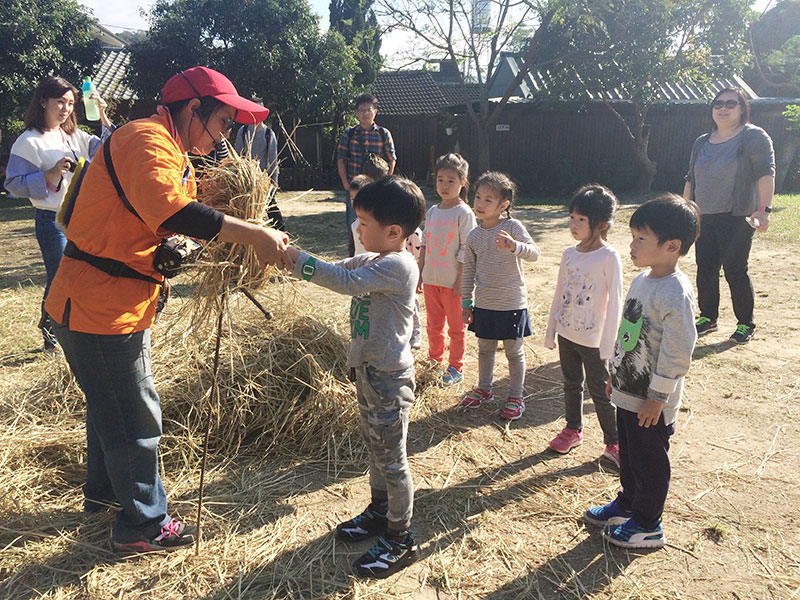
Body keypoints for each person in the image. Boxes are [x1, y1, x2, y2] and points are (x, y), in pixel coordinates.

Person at [44, 66, 290, 553]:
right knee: (135, 414)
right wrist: (255, 233)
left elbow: (162, 226)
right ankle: (142, 525)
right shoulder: (149, 140)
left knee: (109, 404)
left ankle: (104, 497)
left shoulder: (172, 150)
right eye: (222, 121)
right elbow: (173, 213)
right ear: (192, 107)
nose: (225, 136)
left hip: (105, 301)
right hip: (99, 307)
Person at [285, 176, 425, 579]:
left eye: (363, 222)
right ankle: (380, 512)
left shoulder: (398, 264)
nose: (357, 229)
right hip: (368, 374)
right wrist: (287, 255)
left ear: (394, 232)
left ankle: (401, 537)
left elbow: (343, 282)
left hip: (387, 378)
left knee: (393, 461)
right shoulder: (374, 258)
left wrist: (296, 260)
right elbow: (338, 268)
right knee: (377, 449)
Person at [584, 195, 699, 549]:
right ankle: (628, 503)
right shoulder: (643, 280)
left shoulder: (676, 293)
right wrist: (614, 377)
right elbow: (628, 332)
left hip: (652, 403)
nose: (631, 246)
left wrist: (657, 397)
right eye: (632, 237)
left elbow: (678, 351)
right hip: (628, 392)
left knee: (650, 462)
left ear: (672, 246)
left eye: (640, 239)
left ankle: (649, 523)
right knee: (631, 456)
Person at [4, 76, 113, 351]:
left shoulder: (74, 135)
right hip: (51, 220)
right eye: (60, 102)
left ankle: (75, 334)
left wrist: (102, 116)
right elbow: (13, 185)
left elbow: (110, 151)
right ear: (43, 101)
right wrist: (50, 174)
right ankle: (51, 340)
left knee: (83, 276)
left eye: (70, 103)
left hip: (82, 218)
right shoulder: (28, 141)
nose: (65, 109)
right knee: (60, 279)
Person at [683, 87, 775, 344]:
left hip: (737, 215)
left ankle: (746, 323)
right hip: (704, 215)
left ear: (742, 108)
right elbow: (691, 178)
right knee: (706, 269)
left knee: (735, 269)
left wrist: (764, 210)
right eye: (718, 104)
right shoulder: (701, 141)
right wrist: (685, 210)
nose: (723, 108)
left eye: (730, 104)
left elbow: (765, 174)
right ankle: (708, 317)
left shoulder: (753, 137)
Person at [545, 184, 623, 466]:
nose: (573, 224)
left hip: (594, 341)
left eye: (581, 220)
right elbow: (559, 291)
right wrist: (551, 330)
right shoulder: (569, 253)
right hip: (568, 333)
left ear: (601, 225)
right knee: (570, 383)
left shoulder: (608, 257)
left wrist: (609, 345)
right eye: (571, 218)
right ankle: (572, 429)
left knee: (601, 393)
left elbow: (616, 301)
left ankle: (614, 442)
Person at [461, 172, 539, 420]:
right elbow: (468, 271)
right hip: (484, 304)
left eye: (488, 200)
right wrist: (466, 303)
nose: (480, 204)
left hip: (511, 303)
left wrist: (514, 246)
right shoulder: (474, 235)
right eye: (478, 197)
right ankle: (485, 389)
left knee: (514, 352)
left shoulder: (512, 227)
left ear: (503, 205)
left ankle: (516, 396)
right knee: (485, 350)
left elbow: (534, 253)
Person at [418, 153, 476, 385]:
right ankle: (435, 361)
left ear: (463, 182)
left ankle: (456, 367)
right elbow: (425, 244)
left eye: (451, 180)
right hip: (432, 280)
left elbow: (467, 248)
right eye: (440, 179)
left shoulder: (464, 213)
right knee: (433, 325)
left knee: (456, 328)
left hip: (453, 283)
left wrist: (461, 279)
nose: (444, 185)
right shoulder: (432, 212)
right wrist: (420, 273)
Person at [337, 93, 396, 255]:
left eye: (368, 110)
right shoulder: (349, 134)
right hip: (355, 188)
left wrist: (386, 182)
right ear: (356, 113)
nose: (365, 114)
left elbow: (392, 160)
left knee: (378, 221)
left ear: (375, 112)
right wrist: (345, 183)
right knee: (353, 223)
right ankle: (353, 255)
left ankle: (376, 253)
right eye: (361, 110)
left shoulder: (384, 134)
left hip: (377, 188)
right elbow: (341, 159)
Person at [235, 107, 284, 230]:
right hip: (246, 178)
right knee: (244, 209)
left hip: (263, 179)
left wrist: (274, 180)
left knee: (271, 207)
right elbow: (237, 155)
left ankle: (282, 232)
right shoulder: (243, 131)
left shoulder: (268, 134)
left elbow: (273, 159)